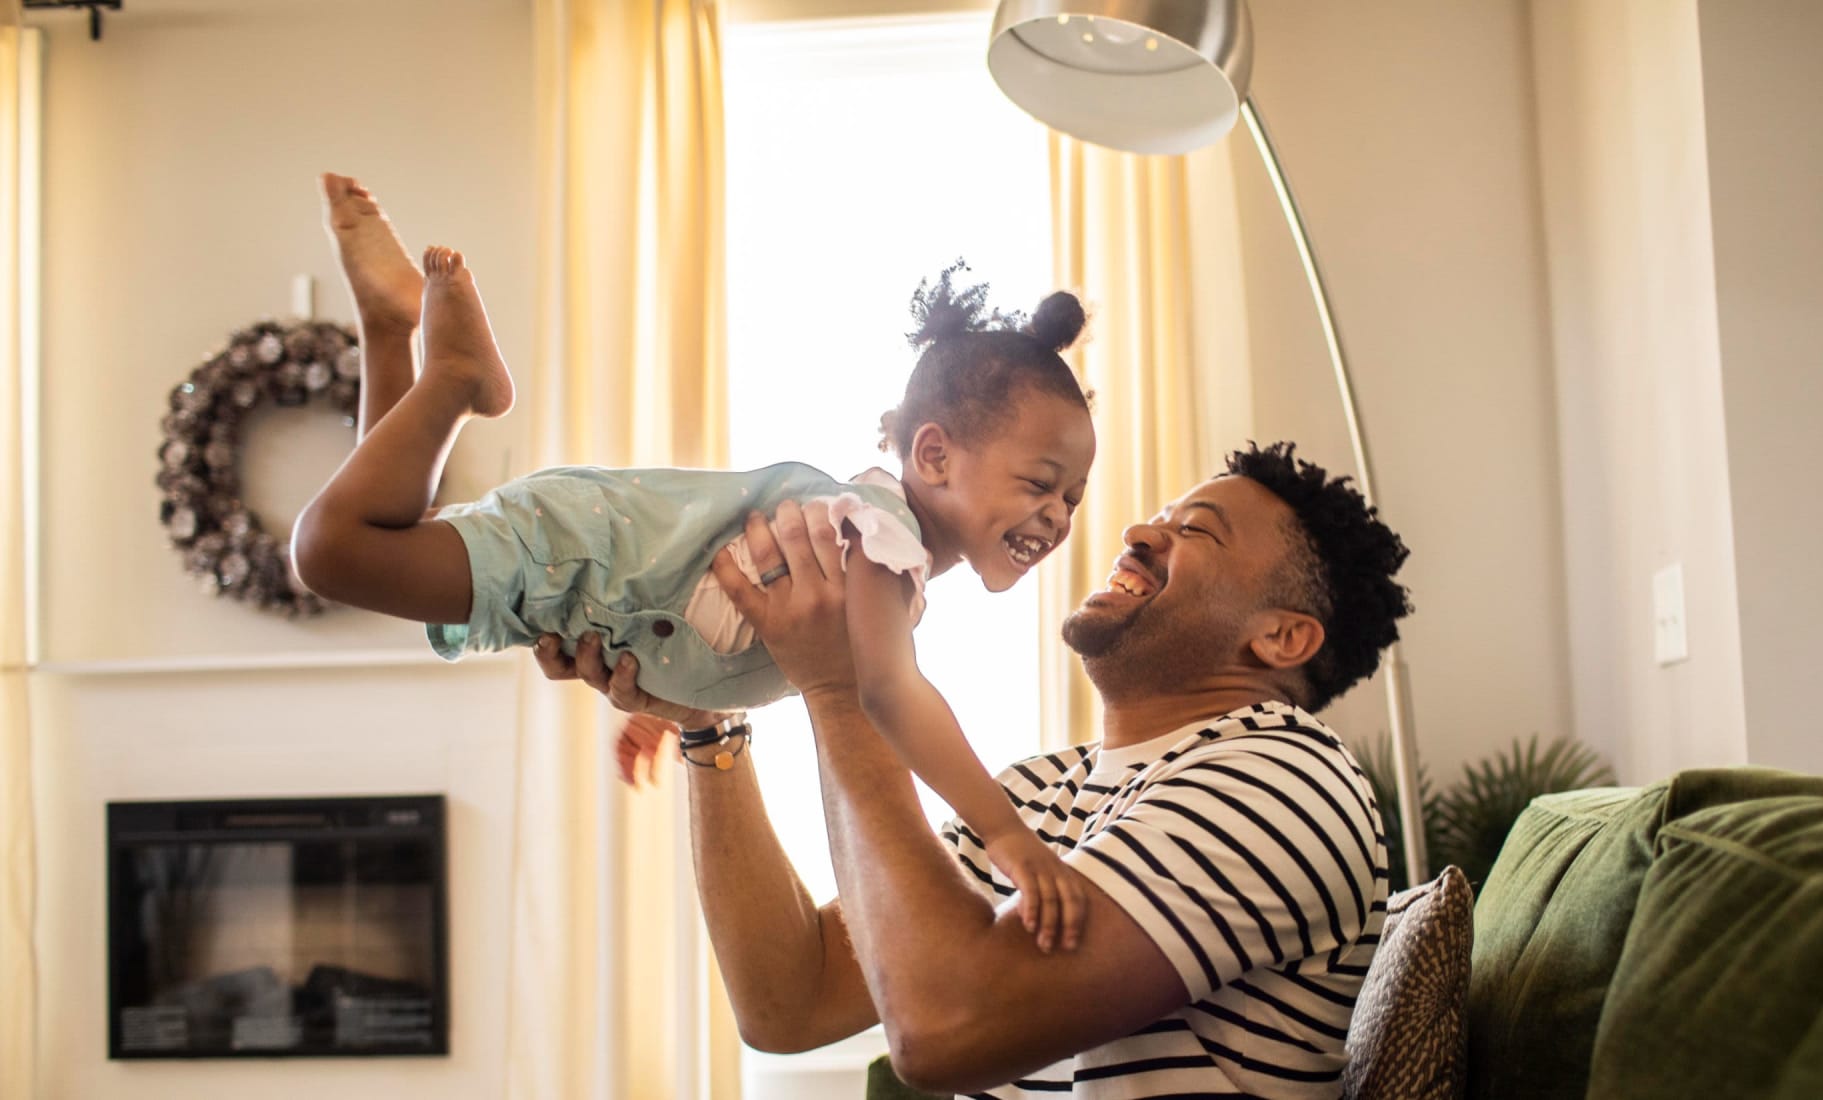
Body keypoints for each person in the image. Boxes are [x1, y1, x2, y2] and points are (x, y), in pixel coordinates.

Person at [293, 173, 1100, 946]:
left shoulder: (870, 535)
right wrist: (1008, 838)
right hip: (576, 559)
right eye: (1040, 483)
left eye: (1074, 496)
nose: (1057, 515)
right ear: (934, 456)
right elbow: (891, 695)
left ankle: (388, 326)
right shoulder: (880, 544)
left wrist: (667, 701)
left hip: (582, 574)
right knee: (332, 551)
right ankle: (456, 375)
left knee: (392, 531)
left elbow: (713, 593)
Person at [554, 440, 1413, 1097]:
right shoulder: (1046, 791)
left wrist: (841, 681)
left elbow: (942, 1029)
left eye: (1194, 533)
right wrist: (712, 728)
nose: (1139, 532)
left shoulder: (1283, 779)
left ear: (1282, 637)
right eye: (1159, 514)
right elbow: (789, 1001)